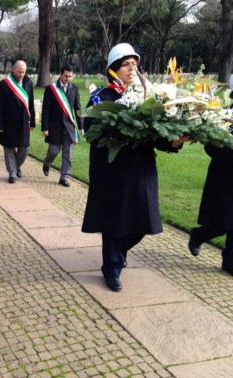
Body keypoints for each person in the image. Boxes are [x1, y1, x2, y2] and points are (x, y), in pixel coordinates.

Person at [81, 43, 188, 292]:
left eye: (135, 63)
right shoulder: (102, 97)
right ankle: (112, 267)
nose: (132, 68)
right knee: (114, 221)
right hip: (113, 173)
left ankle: (118, 251)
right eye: (126, 63)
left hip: (140, 169)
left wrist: (175, 141)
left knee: (143, 220)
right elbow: (92, 131)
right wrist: (123, 129)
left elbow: (155, 134)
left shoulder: (146, 98)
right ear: (114, 69)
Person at [188, 108, 233, 275]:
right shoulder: (223, 117)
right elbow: (210, 146)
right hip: (224, 176)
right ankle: (198, 235)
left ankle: (230, 261)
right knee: (222, 221)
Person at [41, 64, 84, 187]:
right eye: (66, 76)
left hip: (69, 127)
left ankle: (64, 176)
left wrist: (81, 126)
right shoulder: (51, 89)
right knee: (53, 151)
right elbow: (46, 110)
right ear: (60, 74)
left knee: (68, 153)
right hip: (54, 126)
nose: (68, 79)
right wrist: (45, 127)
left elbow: (78, 108)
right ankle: (47, 163)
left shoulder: (74, 88)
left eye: (70, 76)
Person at [0, 60, 36, 183]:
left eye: (23, 72)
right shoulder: (4, 84)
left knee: (25, 148)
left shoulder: (28, 83)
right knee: (9, 148)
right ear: (13, 70)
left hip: (24, 123)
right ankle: (12, 173)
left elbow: (31, 103)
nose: (21, 74)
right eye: (19, 72)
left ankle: (16, 166)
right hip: (8, 123)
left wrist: (32, 121)